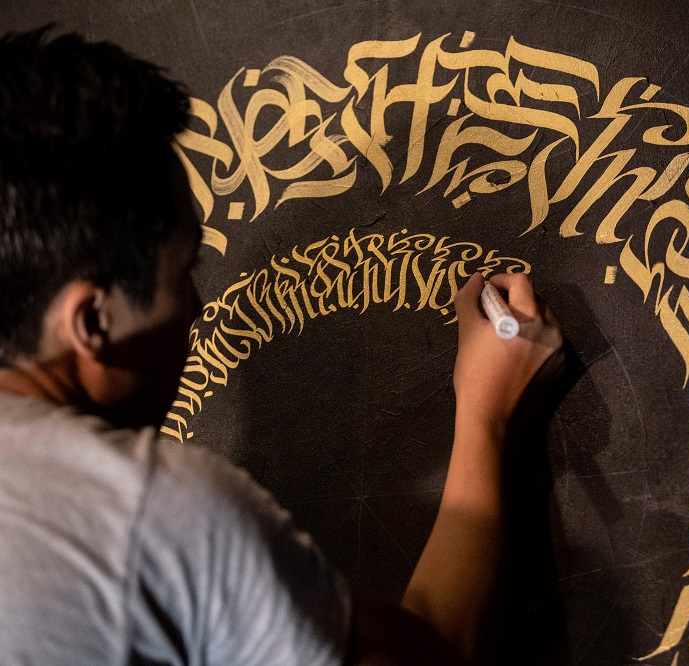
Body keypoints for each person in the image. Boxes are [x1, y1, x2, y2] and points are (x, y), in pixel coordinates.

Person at [0, 28, 564, 665]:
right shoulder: (150, 517)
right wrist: (487, 416)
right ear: (91, 322)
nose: (199, 308)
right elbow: (436, 654)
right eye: (183, 272)